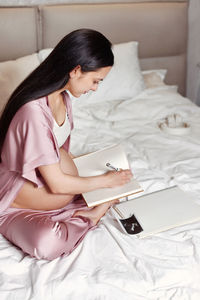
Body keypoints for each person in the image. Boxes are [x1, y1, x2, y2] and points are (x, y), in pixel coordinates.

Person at [0, 29, 132, 260]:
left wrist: (101, 179)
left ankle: (82, 208)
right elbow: (57, 184)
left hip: (60, 196)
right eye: (95, 81)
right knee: (46, 243)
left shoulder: (63, 97)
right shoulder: (33, 112)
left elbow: (59, 151)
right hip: (17, 207)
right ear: (76, 70)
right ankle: (91, 216)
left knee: (117, 182)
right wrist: (105, 181)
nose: (95, 88)